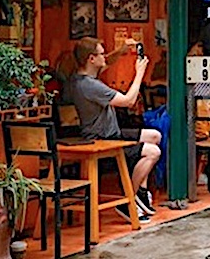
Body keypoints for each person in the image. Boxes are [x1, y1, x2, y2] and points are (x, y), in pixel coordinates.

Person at [63, 37, 161, 223]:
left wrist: (122, 49)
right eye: (101, 53)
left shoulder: (81, 76)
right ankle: (129, 200)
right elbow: (128, 101)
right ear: (91, 59)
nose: (104, 57)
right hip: (103, 140)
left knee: (154, 136)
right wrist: (139, 72)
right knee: (152, 152)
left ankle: (139, 191)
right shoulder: (90, 85)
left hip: (111, 133)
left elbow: (108, 61)